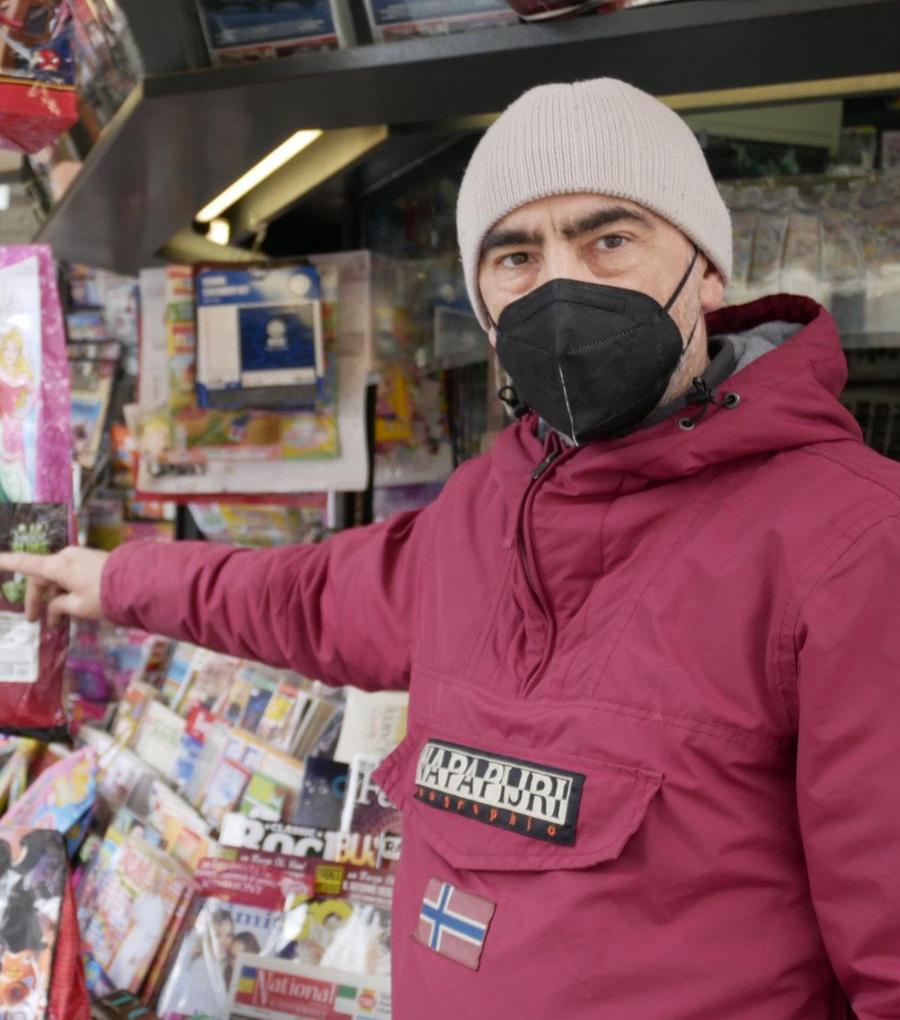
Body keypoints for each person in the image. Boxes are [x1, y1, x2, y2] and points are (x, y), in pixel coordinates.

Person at [2, 77, 900, 1018]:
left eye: (610, 239)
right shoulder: (487, 503)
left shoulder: (854, 546)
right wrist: (110, 576)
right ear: (480, 296)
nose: (562, 286)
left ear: (708, 270)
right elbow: (305, 597)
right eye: (517, 254)